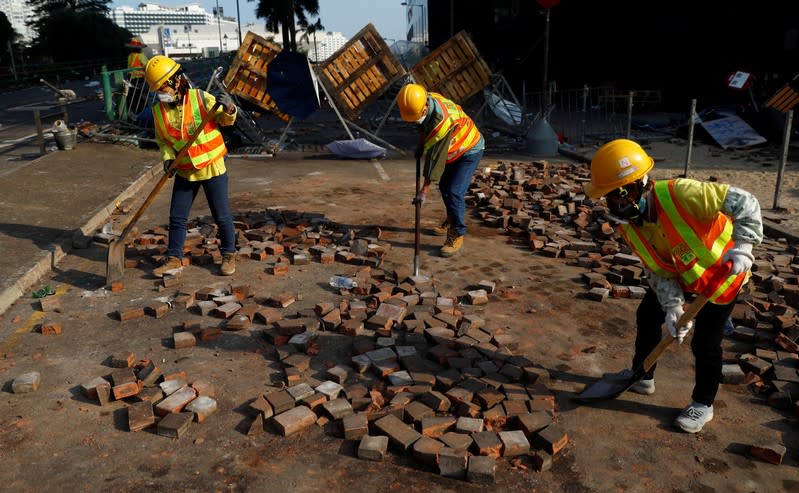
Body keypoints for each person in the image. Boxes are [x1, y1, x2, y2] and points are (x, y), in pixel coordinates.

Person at [586, 138, 763, 434]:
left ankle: (703, 404)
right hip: (682, 276)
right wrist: (673, 308)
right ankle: (643, 375)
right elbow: (656, 271)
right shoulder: (630, 226)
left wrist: (744, 246)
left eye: (618, 195)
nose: (614, 205)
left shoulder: (682, 193)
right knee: (647, 316)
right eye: (609, 198)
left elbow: (746, 202)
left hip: (723, 276)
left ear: (638, 185)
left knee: (705, 343)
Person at [143, 55, 239, 277]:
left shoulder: (200, 98)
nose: (161, 92)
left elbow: (224, 121)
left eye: (163, 86)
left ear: (177, 81)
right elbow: (163, 141)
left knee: (221, 215)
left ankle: (228, 254)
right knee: (177, 216)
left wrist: (229, 109)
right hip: (185, 171)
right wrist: (167, 159)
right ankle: (174, 258)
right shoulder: (158, 112)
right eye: (157, 88)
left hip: (212, 167)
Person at [396, 83, 485, 257]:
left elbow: (434, 162)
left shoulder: (441, 125)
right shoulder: (422, 97)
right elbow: (422, 125)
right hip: (454, 146)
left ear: (425, 107)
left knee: (454, 191)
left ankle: (457, 232)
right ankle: (452, 219)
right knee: (445, 188)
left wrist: (423, 192)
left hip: (469, 148)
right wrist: (421, 145)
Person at [125, 36, 150, 117]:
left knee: (134, 97)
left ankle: (135, 112)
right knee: (141, 98)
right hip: (140, 80)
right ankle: (143, 113)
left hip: (131, 79)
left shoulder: (130, 56)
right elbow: (148, 67)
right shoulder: (141, 56)